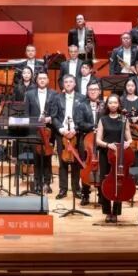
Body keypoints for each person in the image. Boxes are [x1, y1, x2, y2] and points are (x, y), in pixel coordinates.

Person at [54, 75, 92, 205]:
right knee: (62, 162)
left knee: (76, 162)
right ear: (63, 84)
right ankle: (63, 189)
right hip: (62, 133)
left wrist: (75, 129)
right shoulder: (57, 97)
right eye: (66, 82)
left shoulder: (82, 98)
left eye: (71, 81)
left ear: (75, 84)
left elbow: (83, 117)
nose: (68, 84)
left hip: (77, 133)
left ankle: (76, 189)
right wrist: (61, 129)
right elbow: (54, 117)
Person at [95, 94, 132, 223]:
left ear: (119, 104)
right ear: (107, 105)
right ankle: (107, 211)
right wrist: (107, 145)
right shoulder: (103, 119)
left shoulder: (124, 119)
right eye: (110, 103)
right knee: (105, 181)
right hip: (106, 154)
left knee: (119, 181)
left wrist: (128, 143)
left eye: (115, 102)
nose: (113, 105)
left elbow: (129, 138)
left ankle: (115, 212)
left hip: (120, 155)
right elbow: (98, 140)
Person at [26, 72, 56, 193]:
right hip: (35, 130)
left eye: (44, 78)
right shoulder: (29, 94)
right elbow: (26, 113)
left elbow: (56, 111)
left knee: (48, 157)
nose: (42, 80)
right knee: (37, 157)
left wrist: (49, 118)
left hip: (49, 130)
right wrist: (35, 122)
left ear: (48, 80)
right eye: (40, 78)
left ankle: (47, 183)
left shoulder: (54, 94)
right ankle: (37, 183)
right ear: (36, 80)